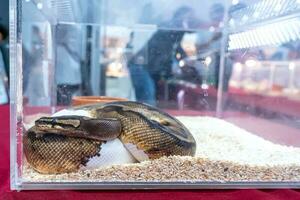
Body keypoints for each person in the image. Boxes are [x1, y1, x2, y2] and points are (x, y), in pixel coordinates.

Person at [128, 6, 197, 105]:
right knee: (148, 99)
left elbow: (177, 48)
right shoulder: (169, 29)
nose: (191, 21)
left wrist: (185, 59)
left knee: (150, 100)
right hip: (140, 66)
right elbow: (165, 53)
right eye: (188, 18)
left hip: (145, 67)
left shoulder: (175, 34)